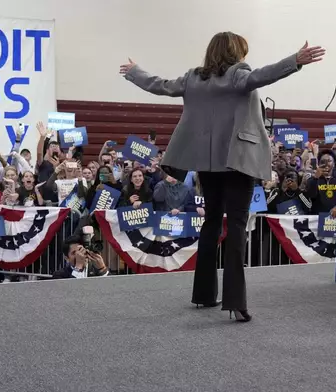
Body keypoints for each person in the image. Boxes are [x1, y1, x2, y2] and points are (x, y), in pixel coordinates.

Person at [120, 31, 325, 322]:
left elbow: (161, 86)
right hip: (237, 161)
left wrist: (134, 73)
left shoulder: (193, 78)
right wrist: (296, 60)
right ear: (236, 53)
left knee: (211, 224)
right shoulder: (238, 75)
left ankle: (204, 294)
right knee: (238, 226)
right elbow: (264, 75)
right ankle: (235, 300)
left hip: (206, 162)